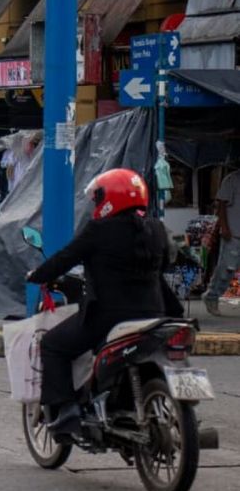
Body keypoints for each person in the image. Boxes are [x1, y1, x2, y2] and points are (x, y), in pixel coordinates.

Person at [26, 168, 171, 438]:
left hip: (108, 316)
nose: (96, 205)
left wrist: (37, 275)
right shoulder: (157, 229)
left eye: (98, 199)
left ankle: (66, 410)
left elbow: (65, 258)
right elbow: (164, 267)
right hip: (154, 314)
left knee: (53, 345)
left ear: (110, 199)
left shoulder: (99, 230)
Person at [204, 167, 240, 316]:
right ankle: (212, 296)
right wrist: (224, 227)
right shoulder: (232, 179)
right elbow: (221, 205)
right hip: (233, 232)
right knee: (226, 269)